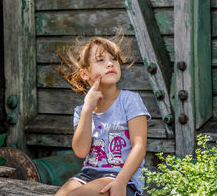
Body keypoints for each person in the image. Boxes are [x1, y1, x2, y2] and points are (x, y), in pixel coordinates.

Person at [55, 36, 150, 196]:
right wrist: (87, 109)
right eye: (100, 60)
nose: (110, 63)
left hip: (122, 176)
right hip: (88, 173)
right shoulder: (81, 110)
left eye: (114, 59)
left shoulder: (129, 100)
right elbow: (81, 151)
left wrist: (121, 181)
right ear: (85, 74)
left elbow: (139, 147)